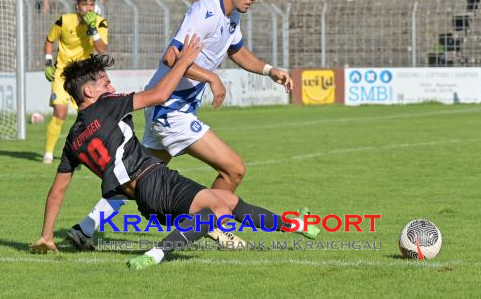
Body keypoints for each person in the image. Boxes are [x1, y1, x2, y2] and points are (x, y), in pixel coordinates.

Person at [68, 0, 293, 249]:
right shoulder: (204, 11)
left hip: (170, 106)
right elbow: (172, 57)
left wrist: (268, 70)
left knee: (135, 178)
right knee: (234, 169)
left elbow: (237, 51)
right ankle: (210, 224)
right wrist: (211, 77)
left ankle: (85, 229)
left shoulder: (231, 17)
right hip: (170, 107)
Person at [29, 49, 319, 270]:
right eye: (105, 83)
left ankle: (296, 226)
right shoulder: (108, 105)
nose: (111, 86)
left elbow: (57, 192)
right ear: (90, 92)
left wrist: (46, 236)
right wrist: (184, 62)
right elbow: (160, 94)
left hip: (145, 199)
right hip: (155, 179)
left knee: (227, 202)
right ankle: (157, 254)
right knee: (219, 210)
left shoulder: (74, 139)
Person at [42, 0, 108, 164]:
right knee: (60, 112)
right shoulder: (64, 21)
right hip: (62, 73)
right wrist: (48, 62)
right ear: (77, 6)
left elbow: (101, 49)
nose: (88, 8)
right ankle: (48, 153)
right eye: (84, 4)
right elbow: (49, 40)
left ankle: (81, 155)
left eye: (91, 4)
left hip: (84, 76)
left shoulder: (100, 23)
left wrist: (92, 28)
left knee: (87, 116)